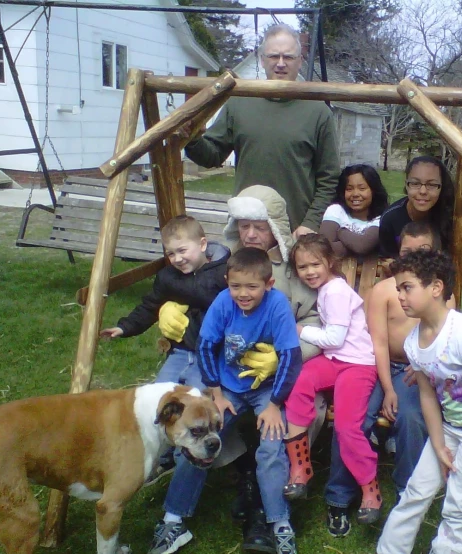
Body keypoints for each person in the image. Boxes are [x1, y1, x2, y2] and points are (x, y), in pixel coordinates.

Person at [155, 186, 326, 554]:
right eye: (244, 226)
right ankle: (173, 516)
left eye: (259, 227)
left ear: (275, 228)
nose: (250, 235)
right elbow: (195, 298)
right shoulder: (225, 270)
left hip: (277, 379)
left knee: (276, 437)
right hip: (227, 376)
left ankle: (276, 519)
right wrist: (168, 308)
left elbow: (316, 325)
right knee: (200, 426)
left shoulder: (294, 273)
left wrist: (281, 365)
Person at [150, 247, 302, 554]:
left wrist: (274, 404)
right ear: (226, 281)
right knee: (198, 441)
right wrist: (216, 394)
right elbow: (206, 348)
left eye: (252, 287)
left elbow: (290, 357)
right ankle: (174, 519)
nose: (243, 294)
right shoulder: (223, 303)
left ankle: (279, 523)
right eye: (235, 286)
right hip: (228, 387)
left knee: (272, 446)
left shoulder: (278, 306)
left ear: (269, 285)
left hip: (265, 389)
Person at [376, 250, 462, 554]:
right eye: (398, 288)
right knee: (415, 492)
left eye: (407, 287)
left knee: (459, 504)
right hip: (450, 428)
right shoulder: (414, 342)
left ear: (436, 288)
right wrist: (438, 445)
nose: (399, 295)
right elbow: (427, 395)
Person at [323, 221, 455, 537]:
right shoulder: (383, 291)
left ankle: (408, 493)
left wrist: (423, 367)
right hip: (375, 366)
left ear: (434, 253)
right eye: (406, 251)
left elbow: (445, 337)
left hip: (416, 372)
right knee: (352, 419)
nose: (412, 258)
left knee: (411, 417)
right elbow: (378, 344)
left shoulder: (440, 294)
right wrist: (386, 389)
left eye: (421, 252)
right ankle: (339, 497)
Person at [183, 23, 340, 238]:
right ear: (262, 60)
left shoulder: (319, 112)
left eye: (289, 57)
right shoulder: (238, 103)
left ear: (300, 61)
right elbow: (212, 156)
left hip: (294, 231)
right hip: (246, 229)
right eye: (274, 56)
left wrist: (310, 223)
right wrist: (192, 138)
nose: (281, 64)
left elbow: (329, 178)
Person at [282, 234, 382, 525]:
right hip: (335, 360)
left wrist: (299, 330)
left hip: (357, 364)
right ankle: (301, 466)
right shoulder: (324, 289)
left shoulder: (336, 290)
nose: (310, 271)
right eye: (302, 267)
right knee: (299, 382)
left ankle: (369, 489)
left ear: (330, 262)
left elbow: (335, 338)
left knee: (347, 426)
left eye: (316, 264)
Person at [100, 213, 230, 394]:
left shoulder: (223, 274)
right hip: (179, 352)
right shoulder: (168, 277)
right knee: (159, 396)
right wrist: (124, 327)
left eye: (182, 250)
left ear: (202, 244)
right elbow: (150, 306)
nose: (177, 259)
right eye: (171, 253)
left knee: (196, 397)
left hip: (210, 355)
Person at [378, 156, 456, 258]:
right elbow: (387, 260)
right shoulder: (390, 218)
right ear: (406, 185)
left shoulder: (450, 216)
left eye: (431, 185)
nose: (423, 191)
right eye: (415, 183)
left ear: (441, 187)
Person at [319, 164, 389, 257]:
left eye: (362, 188)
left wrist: (340, 232)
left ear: (373, 191)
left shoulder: (382, 217)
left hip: (368, 270)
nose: (355, 194)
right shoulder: (336, 210)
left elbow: (362, 246)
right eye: (349, 189)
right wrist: (353, 248)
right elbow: (324, 247)